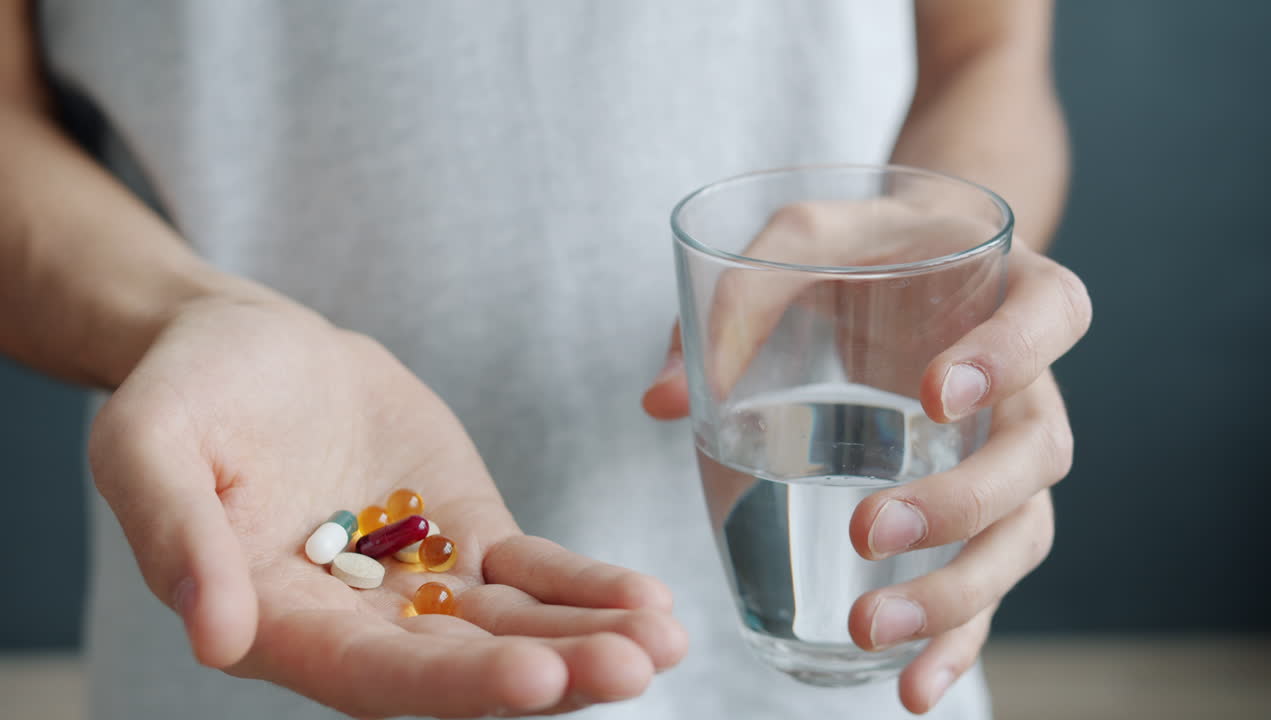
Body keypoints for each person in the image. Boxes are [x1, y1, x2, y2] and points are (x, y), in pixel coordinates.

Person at [0, 1, 1090, 718]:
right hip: (274, 607)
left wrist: (945, 281)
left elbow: (986, 53)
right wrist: (177, 313)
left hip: (869, 633)